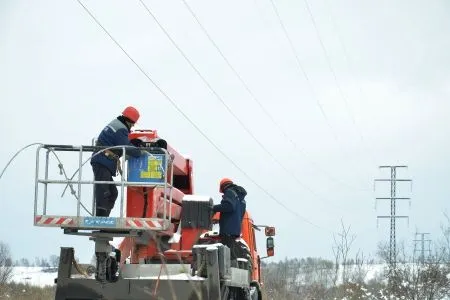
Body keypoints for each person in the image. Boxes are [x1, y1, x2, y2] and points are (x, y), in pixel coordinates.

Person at [91, 106, 143, 217]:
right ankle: (100, 220)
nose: (133, 126)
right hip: (101, 161)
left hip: (103, 161)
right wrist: (140, 152)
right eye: (133, 123)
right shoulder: (120, 128)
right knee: (104, 191)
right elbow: (126, 147)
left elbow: (120, 142)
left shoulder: (117, 125)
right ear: (129, 121)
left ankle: (103, 219)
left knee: (112, 192)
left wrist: (131, 142)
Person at [212, 178, 247, 259]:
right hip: (235, 229)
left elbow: (229, 206)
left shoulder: (230, 192)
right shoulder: (241, 199)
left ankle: (227, 269)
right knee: (230, 252)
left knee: (226, 254)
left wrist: (214, 208)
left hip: (228, 228)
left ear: (223, 187)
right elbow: (241, 214)